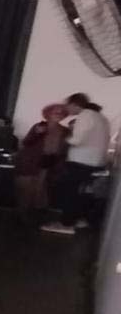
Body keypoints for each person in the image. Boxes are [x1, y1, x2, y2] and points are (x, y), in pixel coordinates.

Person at [42, 92, 111, 235]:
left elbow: (77, 140)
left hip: (81, 161)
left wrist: (64, 139)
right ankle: (79, 219)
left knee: (70, 192)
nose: (67, 110)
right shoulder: (100, 117)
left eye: (67, 106)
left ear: (74, 104)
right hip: (96, 161)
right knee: (82, 193)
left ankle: (66, 224)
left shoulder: (85, 116)